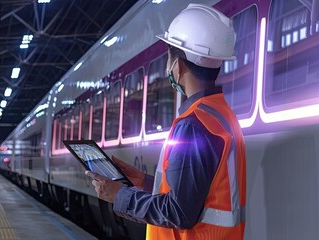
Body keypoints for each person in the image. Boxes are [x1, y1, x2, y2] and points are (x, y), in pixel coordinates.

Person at [85, 3, 246, 240]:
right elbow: (194, 194)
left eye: (168, 55)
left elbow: (179, 212)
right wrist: (144, 182)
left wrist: (119, 196)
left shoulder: (192, 124)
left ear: (178, 66)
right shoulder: (221, 115)